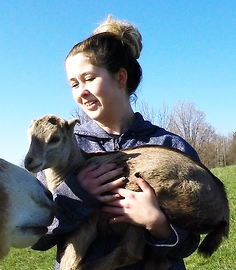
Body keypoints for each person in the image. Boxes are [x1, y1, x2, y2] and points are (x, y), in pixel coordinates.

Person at [32, 16, 201, 269]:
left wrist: (158, 224)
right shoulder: (60, 148)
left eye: (89, 78)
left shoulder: (168, 146)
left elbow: (190, 243)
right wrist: (76, 195)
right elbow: (38, 237)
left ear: (120, 78)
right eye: (74, 84)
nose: (81, 91)